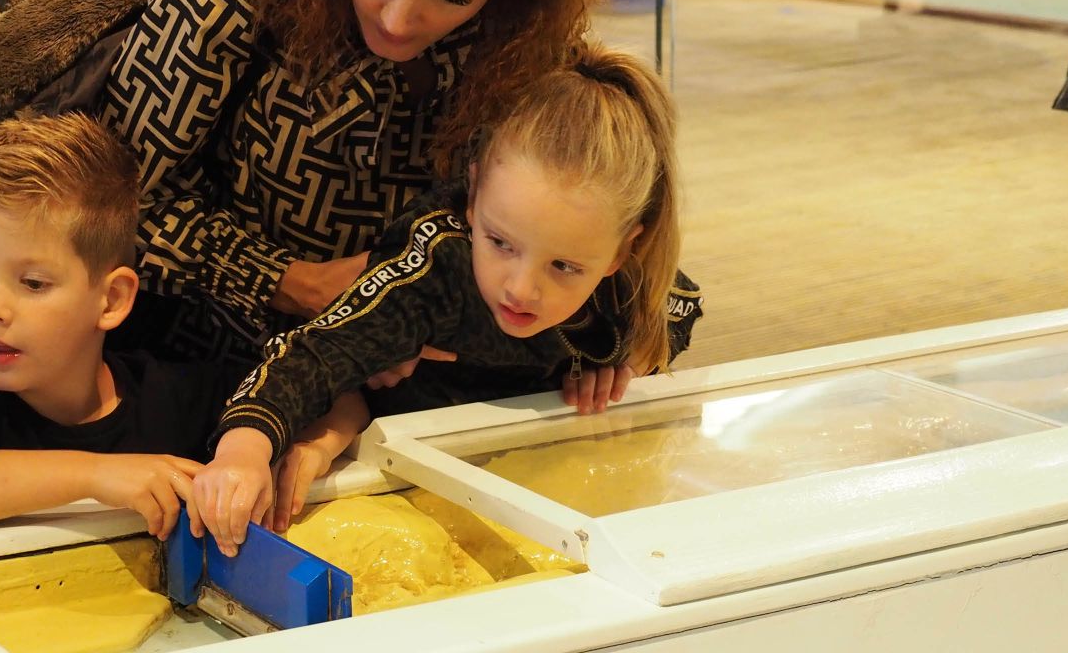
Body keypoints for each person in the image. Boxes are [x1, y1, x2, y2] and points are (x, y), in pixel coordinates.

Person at [95, 0, 617, 367]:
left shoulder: (527, 22)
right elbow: (115, 202)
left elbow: (582, 206)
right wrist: (287, 281)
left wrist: (602, 343)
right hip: (212, 358)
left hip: (424, 365)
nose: (397, 20)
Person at [189, 43, 699, 555]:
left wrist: (631, 362)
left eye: (564, 267)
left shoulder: (634, 277)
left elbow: (680, 310)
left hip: (538, 469)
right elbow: (316, 354)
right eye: (501, 243)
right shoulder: (437, 263)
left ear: (623, 249)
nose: (521, 288)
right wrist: (244, 448)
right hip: (407, 457)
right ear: (473, 197)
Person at [0, 112, 240, 536]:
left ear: (112, 299)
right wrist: (95, 476)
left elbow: (289, 397)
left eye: (32, 283)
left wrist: (254, 451)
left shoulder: (176, 398)